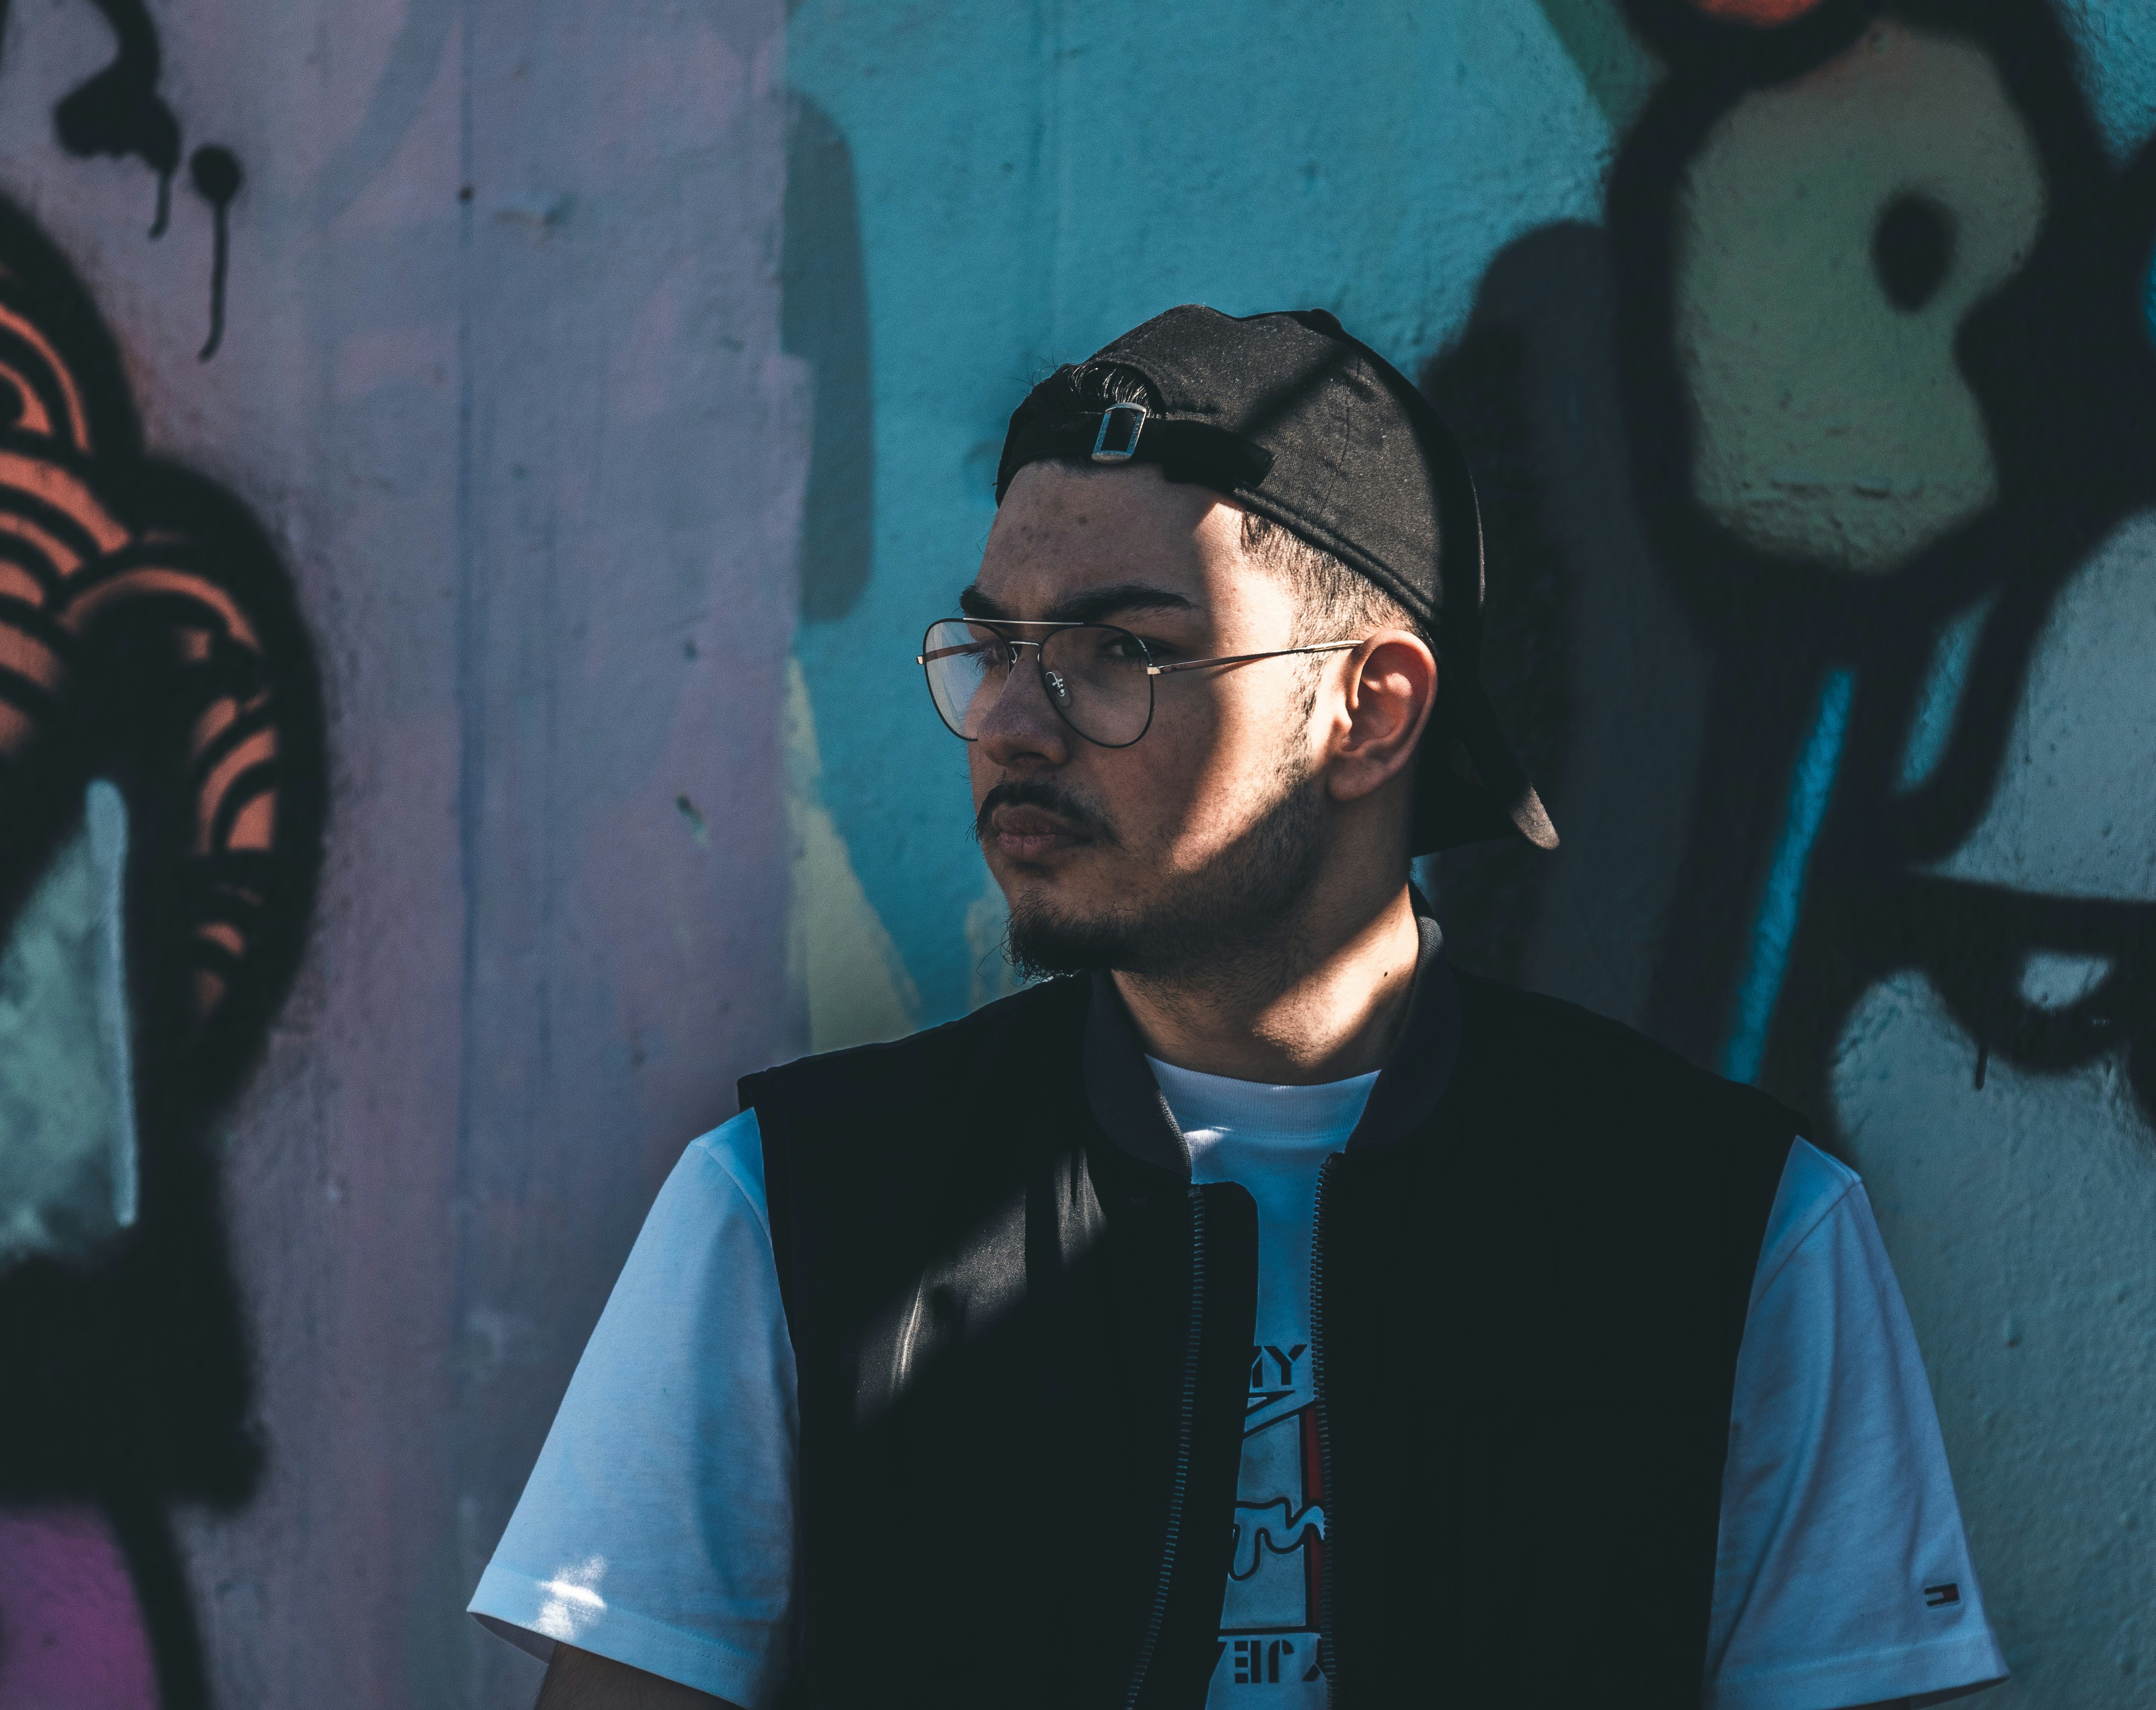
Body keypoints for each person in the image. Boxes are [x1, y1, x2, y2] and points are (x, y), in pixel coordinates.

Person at [466, 306, 2008, 1709]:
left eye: (1120, 652)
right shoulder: (798, 1209)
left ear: (1369, 708)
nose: (1009, 724)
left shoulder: (1724, 1225)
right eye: (995, 647)